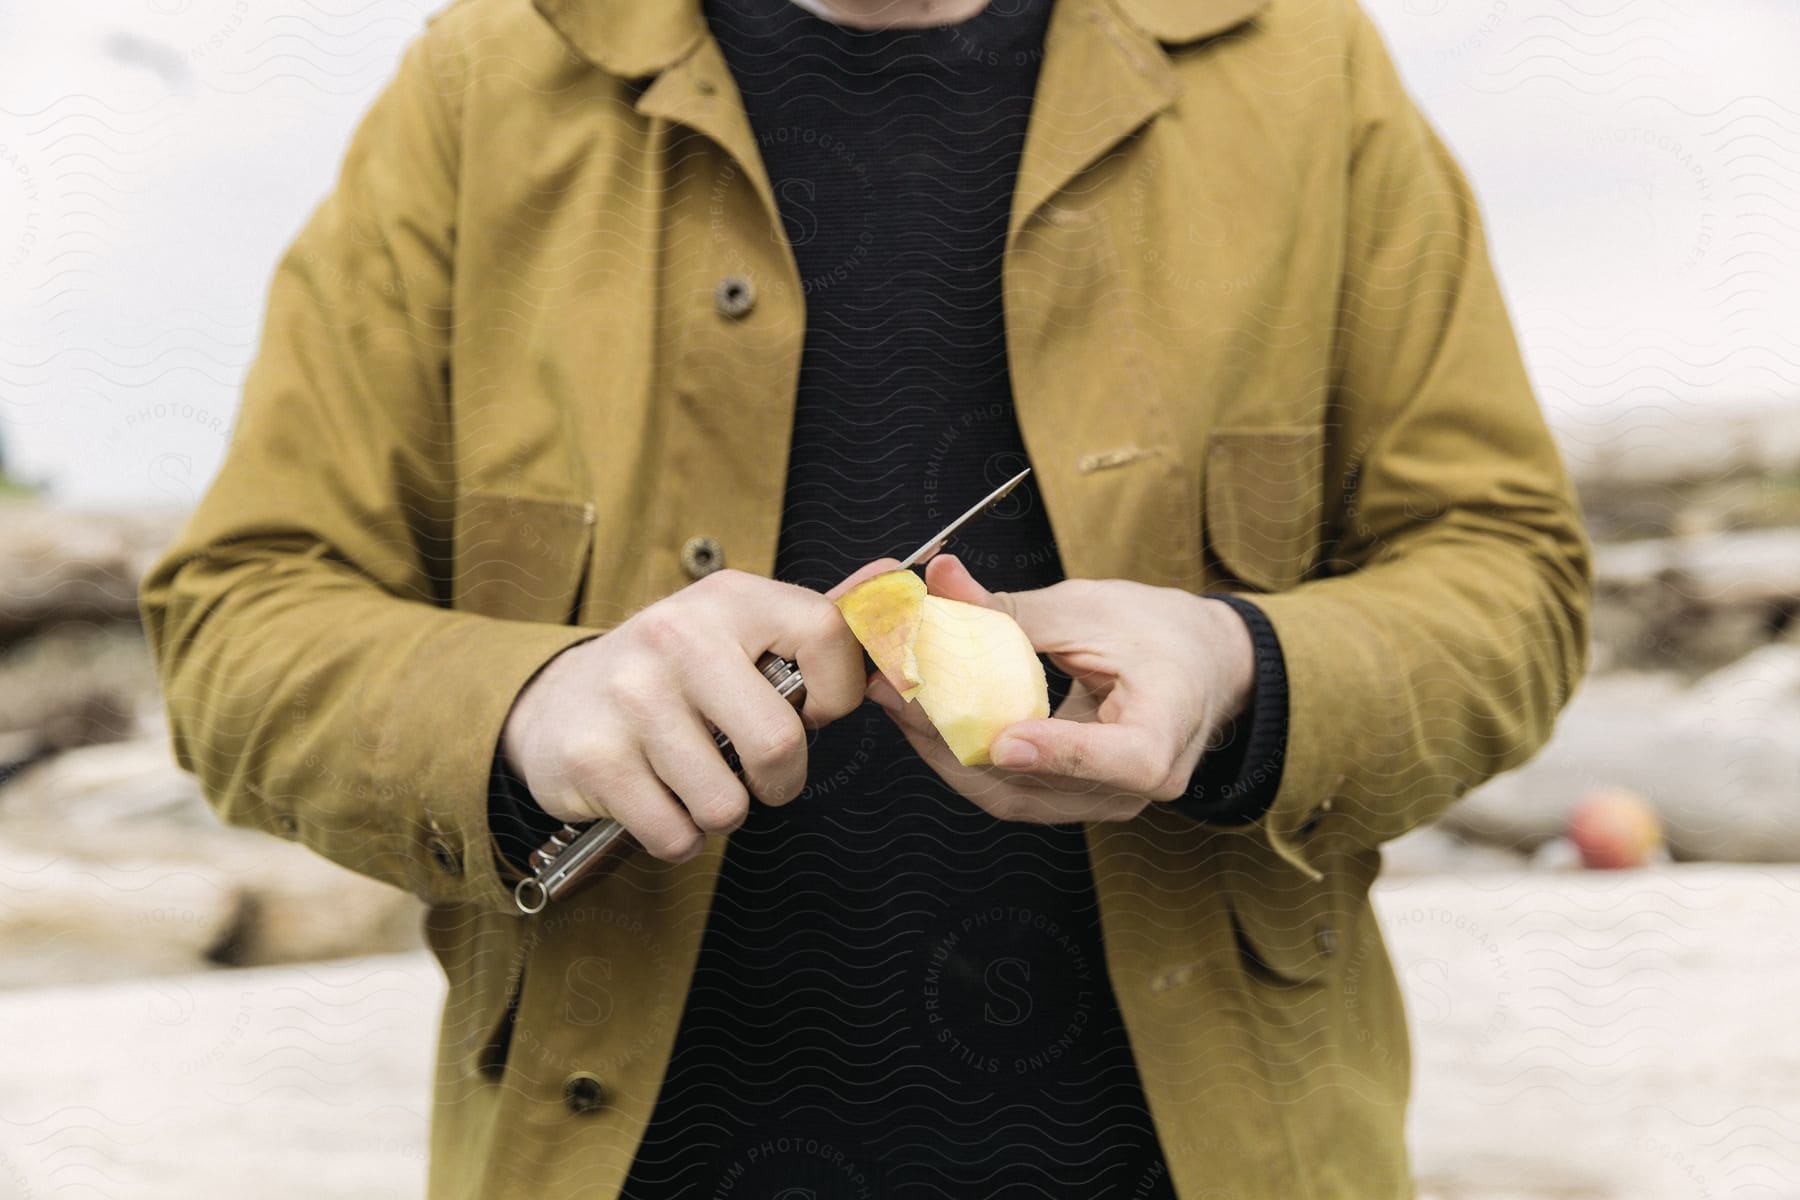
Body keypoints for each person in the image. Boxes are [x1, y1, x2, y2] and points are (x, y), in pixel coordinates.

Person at [139, 0, 1592, 1195]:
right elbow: (240, 619)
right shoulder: (486, 83)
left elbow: (1509, 572)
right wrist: (529, 710)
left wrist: (1240, 673)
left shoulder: (1304, 66)